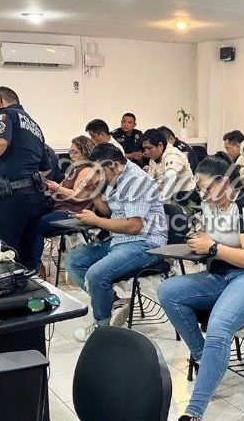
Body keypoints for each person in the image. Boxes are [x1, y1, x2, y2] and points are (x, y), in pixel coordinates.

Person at [157, 155, 244, 421]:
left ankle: (194, 411)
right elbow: (215, 239)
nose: (203, 195)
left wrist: (213, 247)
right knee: (168, 292)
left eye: (207, 188)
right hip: (227, 271)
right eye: (200, 189)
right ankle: (204, 358)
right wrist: (201, 242)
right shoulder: (211, 204)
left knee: (220, 324)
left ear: (225, 183)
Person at [65, 143, 167, 341]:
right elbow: (111, 213)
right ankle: (113, 301)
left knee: (96, 274)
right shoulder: (116, 177)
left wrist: (96, 221)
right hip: (120, 239)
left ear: (117, 166)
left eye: (101, 172)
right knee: (74, 261)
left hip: (146, 243)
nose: (99, 176)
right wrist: (94, 192)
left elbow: (135, 226)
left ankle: (102, 328)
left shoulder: (137, 181)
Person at [0, 86, 51, 268]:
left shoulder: (4, 115)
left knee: (1, 257)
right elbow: (46, 168)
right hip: (34, 198)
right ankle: (27, 286)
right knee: (27, 258)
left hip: (8, 199)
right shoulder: (34, 126)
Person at [32, 136, 98, 279]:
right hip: (62, 209)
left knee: (35, 226)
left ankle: (36, 267)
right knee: (28, 218)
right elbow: (60, 189)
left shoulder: (87, 171)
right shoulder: (75, 170)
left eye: (75, 152)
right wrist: (50, 185)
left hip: (73, 213)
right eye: (70, 152)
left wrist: (56, 188)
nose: (71, 155)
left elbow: (78, 196)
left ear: (85, 152)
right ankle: (34, 264)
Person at [141, 128, 195, 202]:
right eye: (145, 148)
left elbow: (170, 176)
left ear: (160, 145)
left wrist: (157, 203)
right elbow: (150, 180)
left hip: (184, 199)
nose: (146, 152)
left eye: (149, 148)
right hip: (167, 197)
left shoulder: (173, 155)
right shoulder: (154, 157)